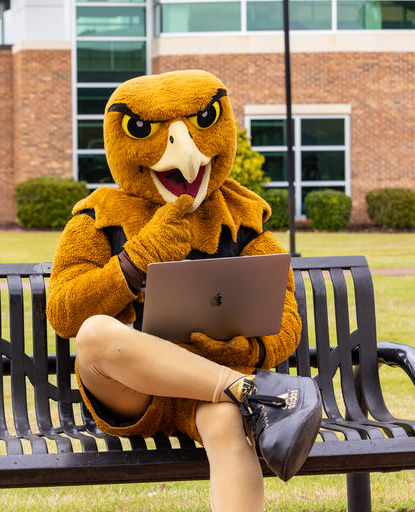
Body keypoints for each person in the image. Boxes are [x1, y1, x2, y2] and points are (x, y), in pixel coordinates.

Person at [46, 70, 322, 512]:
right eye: (143, 129)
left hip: (209, 389)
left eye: (204, 119)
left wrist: (244, 346)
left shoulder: (240, 215)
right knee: (96, 333)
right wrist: (134, 262)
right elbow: (63, 312)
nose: (186, 154)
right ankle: (250, 391)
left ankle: (238, 390)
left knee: (230, 428)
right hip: (131, 387)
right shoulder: (99, 216)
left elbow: (284, 308)